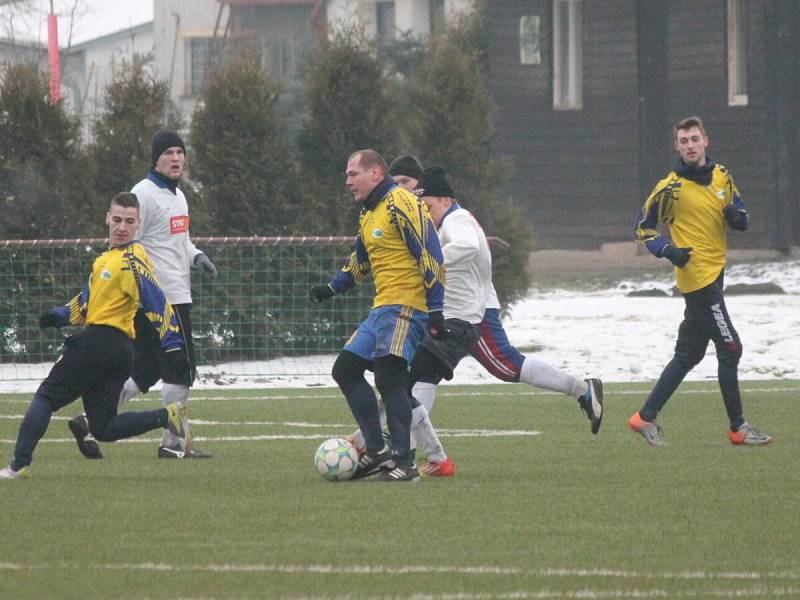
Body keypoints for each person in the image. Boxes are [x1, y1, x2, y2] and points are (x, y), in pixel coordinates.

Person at [407, 166, 604, 475]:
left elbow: (468, 247)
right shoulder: (450, 220)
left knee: (507, 366)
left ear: (445, 199)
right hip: (463, 311)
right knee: (423, 374)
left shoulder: (456, 220)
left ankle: (582, 389)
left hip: (473, 314)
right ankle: (424, 455)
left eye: (427, 205)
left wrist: (429, 261)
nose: (425, 212)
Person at [0, 193, 190, 480]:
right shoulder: (106, 259)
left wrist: (173, 343)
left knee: (45, 398)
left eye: (129, 221)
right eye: (117, 220)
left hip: (98, 343)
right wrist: (60, 315)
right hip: (119, 352)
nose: (121, 227)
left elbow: (157, 302)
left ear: (138, 224)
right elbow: (88, 302)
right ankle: (167, 416)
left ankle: (18, 466)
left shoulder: (132, 260)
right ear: (107, 218)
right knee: (103, 428)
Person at [68, 130, 217, 460]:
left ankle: (89, 420)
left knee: (146, 371)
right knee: (181, 371)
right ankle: (173, 444)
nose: (176, 158)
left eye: (180, 152)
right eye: (169, 153)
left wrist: (197, 257)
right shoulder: (144, 193)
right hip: (162, 301)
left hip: (177, 293)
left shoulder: (178, 196)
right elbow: (128, 241)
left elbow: (181, 241)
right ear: (156, 159)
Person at [630, 116, 771, 447]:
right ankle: (738, 428)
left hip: (716, 273)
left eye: (695, 139)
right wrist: (667, 250)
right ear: (677, 146)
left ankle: (644, 417)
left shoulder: (722, 175)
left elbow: (738, 210)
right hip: (697, 279)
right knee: (730, 347)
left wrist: (739, 219)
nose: (690, 145)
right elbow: (642, 228)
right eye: (684, 141)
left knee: (689, 354)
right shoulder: (670, 188)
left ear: (706, 140)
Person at [309, 149, 446, 482]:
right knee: (346, 369)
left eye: (352, 173)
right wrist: (332, 287)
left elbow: (430, 252)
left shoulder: (402, 203)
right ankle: (376, 451)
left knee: (389, 379)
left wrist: (437, 308)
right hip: (383, 308)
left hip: (407, 306)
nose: (348, 181)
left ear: (375, 173)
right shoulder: (369, 213)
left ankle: (404, 462)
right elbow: (360, 262)